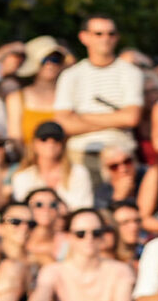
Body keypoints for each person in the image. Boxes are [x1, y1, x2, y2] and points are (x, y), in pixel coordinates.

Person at [52, 16, 145, 185]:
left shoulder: (131, 73)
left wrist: (82, 117)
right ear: (84, 37)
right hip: (80, 155)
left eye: (111, 34)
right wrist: (116, 119)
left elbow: (131, 118)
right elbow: (63, 124)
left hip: (121, 156)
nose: (105, 39)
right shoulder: (70, 76)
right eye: (98, 34)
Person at [9, 121, 97, 211]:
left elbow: (83, 208)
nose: (50, 144)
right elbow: (23, 209)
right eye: (44, 139)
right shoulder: (23, 176)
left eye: (56, 140)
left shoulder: (78, 172)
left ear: (63, 144)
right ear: (34, 144)